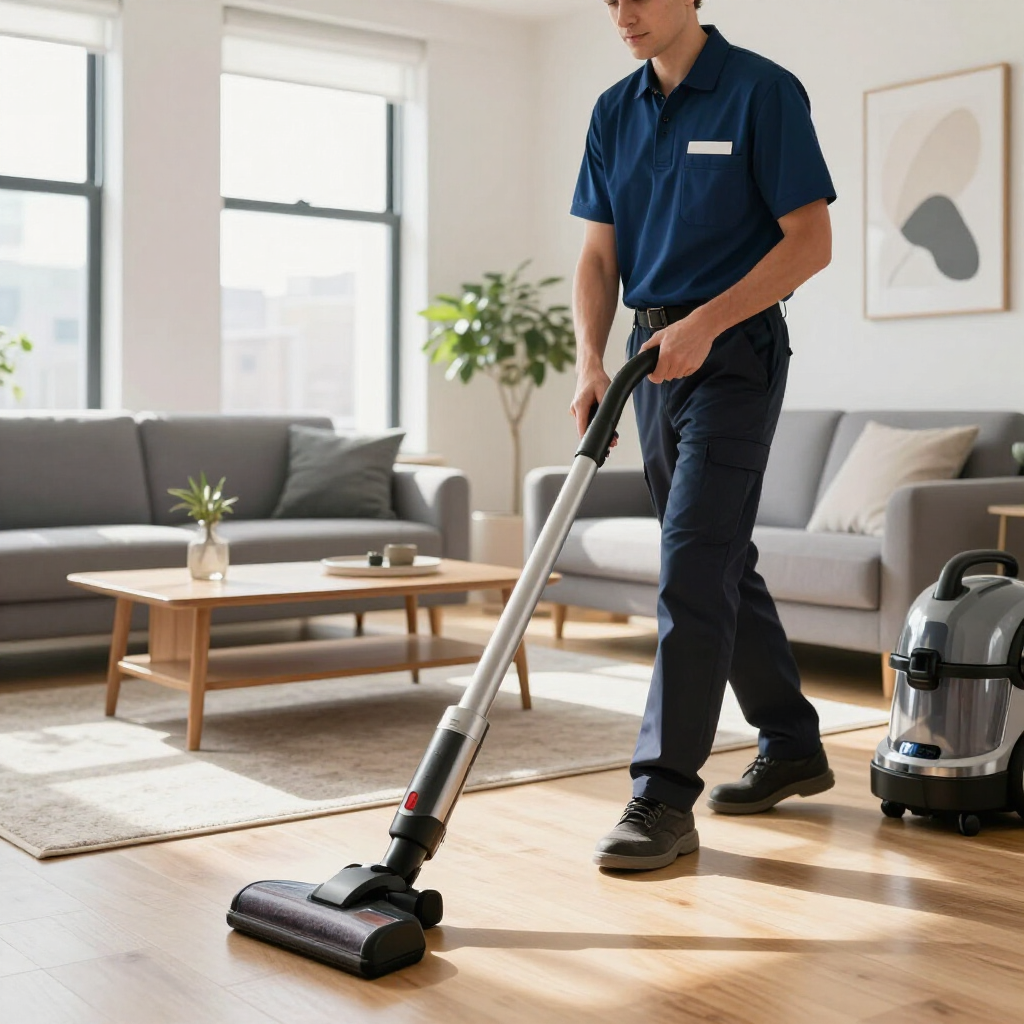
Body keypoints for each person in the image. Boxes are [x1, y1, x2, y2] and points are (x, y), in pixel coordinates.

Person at [570, 0, 838, 871]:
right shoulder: (615, 110)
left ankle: (661, 797)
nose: (625, 13)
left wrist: (707, 325)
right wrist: (590, 362)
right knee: (719, 556)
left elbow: (810, 243)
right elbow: (599, 256)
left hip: (734, 356)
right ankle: (793, 743)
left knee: (690, 562)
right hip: (651, 362)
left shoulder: (762, 92)